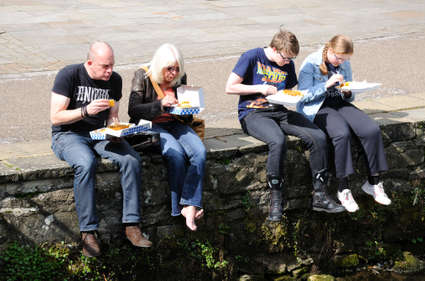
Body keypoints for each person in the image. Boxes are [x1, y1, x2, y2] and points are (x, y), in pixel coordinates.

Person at [225, 29, 345, 221]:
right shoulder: (251, 57)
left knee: (319, 137)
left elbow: (287, 89)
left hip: (279, 111)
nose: (288, 62)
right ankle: (276, 198)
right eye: (285, 58)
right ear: (274, 49)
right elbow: (229, 87)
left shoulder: (288, 62)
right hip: (253, 113)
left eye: (292, 59)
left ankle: (320, 195)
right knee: (278, 140)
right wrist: (260, 88)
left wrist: (291, 96)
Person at [50, 41, 152, 257]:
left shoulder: (114, 80)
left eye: (112, 65)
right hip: (68, 134)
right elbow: (56, 116)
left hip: (99, 134)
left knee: (131, 159)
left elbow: (113, 116)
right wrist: (85, 111)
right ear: (90, 62)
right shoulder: (69, 75)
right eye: (105, 66)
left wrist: (116, 131)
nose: (110, 71)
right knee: (86, 163)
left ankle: (132, 225)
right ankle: (88, 232)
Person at [296, 35, 391, 212]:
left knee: (371, 129)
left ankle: (374, 182)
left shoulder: (344, 62)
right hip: (317, 108)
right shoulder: (311, 63)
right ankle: (343, 188)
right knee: (341, 133)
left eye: (345, 59)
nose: (341, 62)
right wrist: (326, 85)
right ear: (330, 50)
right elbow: (302, 96)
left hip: (339, 103)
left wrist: (348, 92)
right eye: (339, 58)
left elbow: (348, 91)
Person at [128, 43, 206, 231]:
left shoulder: (180, 77)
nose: (174, 73)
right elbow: (133, 110)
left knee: (199, 152)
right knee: (176, 154)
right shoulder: (143, 75)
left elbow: (186, 112)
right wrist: (160, 104)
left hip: (175, 121)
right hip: (151, 124)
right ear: (160, 66)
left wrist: (189, 107)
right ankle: (178, 207)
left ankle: (190, 204)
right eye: (169, 69)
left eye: (177, 69)